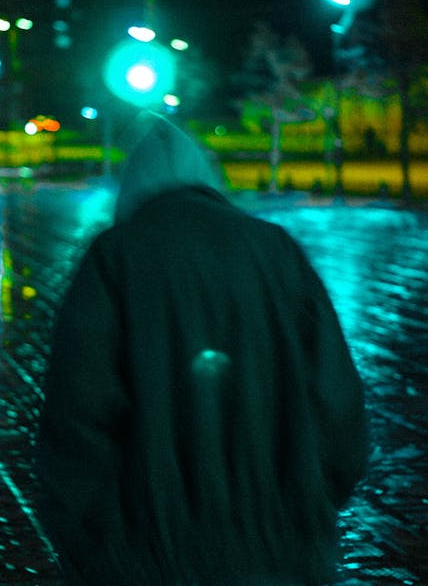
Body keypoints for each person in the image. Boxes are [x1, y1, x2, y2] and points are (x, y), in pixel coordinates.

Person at [35, 113, 368, 586]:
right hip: (282, 551)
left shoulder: (114, 257)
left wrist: (91, 538)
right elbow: (337, 404)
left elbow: (78, 417)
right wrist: (310, 503)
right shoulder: (275, 250)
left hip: (149, 555)